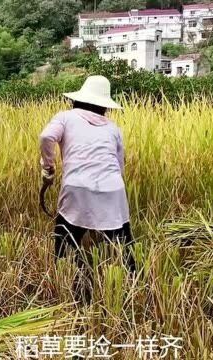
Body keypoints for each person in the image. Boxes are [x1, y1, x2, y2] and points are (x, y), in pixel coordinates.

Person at [39, 75, 135, 299]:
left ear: (78, 99)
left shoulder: (65, 117)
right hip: (113, 188)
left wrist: (48, 166)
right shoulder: (113, 128)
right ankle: (133, 286)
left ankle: (72, 288)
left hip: (77, 187)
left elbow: (46, 136)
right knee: (122, 243)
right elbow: (119, 166)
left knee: (66, 240)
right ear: (104, 105)